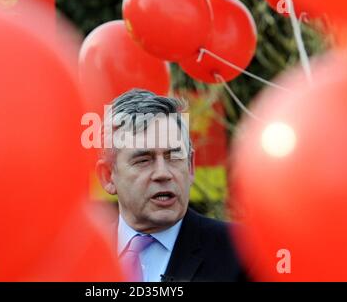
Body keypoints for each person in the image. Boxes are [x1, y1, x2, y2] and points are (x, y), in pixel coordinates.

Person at [96, 89, 247, 282]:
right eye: (143, 160)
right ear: (108, 176)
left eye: (174, 157)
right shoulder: (77, 255)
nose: (163, 173)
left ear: (190, 166)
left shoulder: (243, 251)